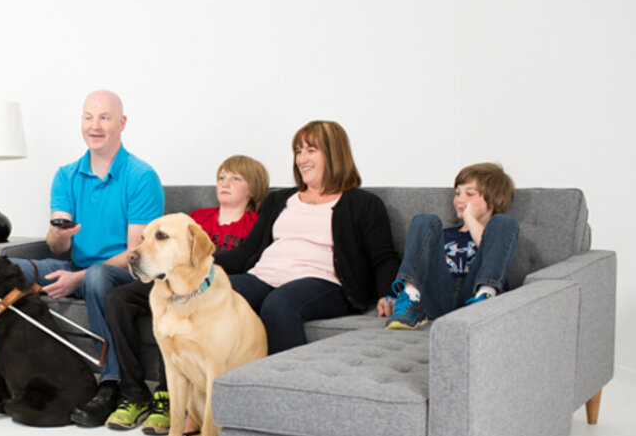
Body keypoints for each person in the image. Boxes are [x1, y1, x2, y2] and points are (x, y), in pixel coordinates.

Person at [11, 90, 164, 427]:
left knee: (96, 277)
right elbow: (58, 249)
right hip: (75, 266)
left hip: (121, 277)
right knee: (7, 270)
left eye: (104, 117)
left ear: (121, 123)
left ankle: (111, 385)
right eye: (88, 117)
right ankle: (1, 375)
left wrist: (79, 279)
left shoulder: (140, 177)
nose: (94, 125)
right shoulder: (66, 175)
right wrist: (59, 234)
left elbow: (137, 255)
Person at [103, 155, 269, 433]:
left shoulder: (255, 224)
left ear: (253, 189)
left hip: (213, 294)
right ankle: (133, 392)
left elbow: (251, 261)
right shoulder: (196, 218)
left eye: (236, 178)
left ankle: (169, 401)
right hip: (173, 285)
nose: (225, 183)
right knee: (118, 299)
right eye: (221, 177)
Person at [217, 120, 400, 354]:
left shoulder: (363, 204)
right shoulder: (278, 200)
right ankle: (191, 386)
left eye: (311, 150)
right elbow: (246, 251)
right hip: (264, 276)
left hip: (324, 282)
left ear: (334, 154)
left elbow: (383, 256)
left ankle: (286, 387)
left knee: (279, 304)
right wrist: (198, 266)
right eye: (298, 151)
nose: (302, 158)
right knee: (212, 293)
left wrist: (389, 293)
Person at [380, 163, 519, 329]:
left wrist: (469, 218)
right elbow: (422, 266)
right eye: (457, 193)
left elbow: (492, 249)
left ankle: (486, 296)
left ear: (497, 200)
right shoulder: (439, 234)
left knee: (505, 222)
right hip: (439, 296)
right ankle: (410, 298)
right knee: (425, 220)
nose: (460, 199)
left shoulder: (500, 235)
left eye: (470, 193)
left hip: (474, 294)